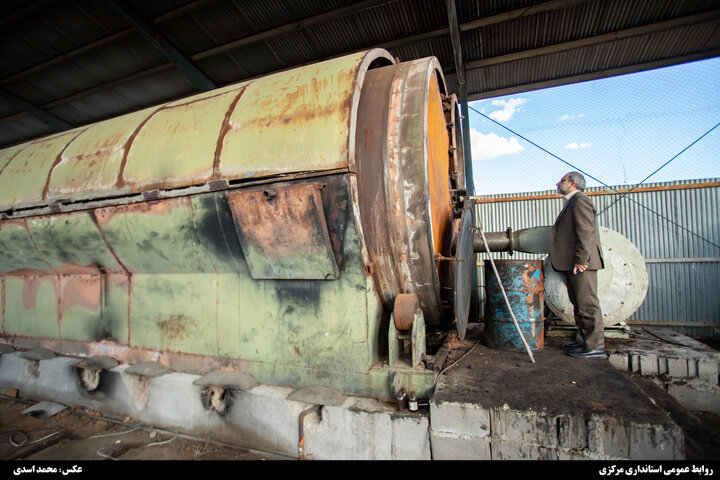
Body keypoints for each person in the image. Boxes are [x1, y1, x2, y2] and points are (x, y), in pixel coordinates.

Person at [550, 172, 606, 358]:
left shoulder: (580, 200)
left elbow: (585, 232)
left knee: (587, 305)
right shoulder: (572, 202)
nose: (559, 183)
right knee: (579, 305)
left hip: (582, 264)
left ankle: (596, 347)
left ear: (572, 183)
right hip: (575, 263)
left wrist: (582, 261)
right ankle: (584, 342)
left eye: (563, 180)